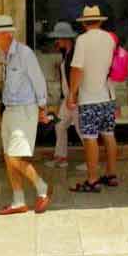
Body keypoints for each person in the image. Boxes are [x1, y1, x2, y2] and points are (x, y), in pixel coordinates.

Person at [0, 15, 52, 215]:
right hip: (9, 110)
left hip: (24, 110)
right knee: (8, 157)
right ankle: (18, 201)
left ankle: (42, 188)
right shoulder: (4, 54)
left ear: (8, 34)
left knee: (15, 158)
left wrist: (42, 108)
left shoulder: (25, 53)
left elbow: (38, 81)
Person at [68, 6, 119, 193]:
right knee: (109, 135)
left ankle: (92, 179)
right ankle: (111, 174)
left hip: (89, 97)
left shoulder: (82, 40)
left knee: (90, 138)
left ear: (84, 23)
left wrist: (72, 93)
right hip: (108, 95)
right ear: (100, 21)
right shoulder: (109, 39)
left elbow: (77, 69)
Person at [44, 22, 85, 170]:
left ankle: (91, 161)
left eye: (58, 38)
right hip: (69, 96)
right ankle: (61, 157)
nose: (57, 41)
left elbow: (78, 75)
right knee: (60, 126)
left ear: (65, 38)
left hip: (75, 97)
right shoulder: (67, 53)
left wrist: (73, 96)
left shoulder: (73, 54)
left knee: (82, 130)